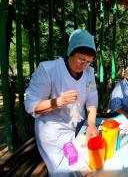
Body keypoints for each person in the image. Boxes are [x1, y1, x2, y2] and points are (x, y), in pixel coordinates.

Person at [24, 29, 100, 177]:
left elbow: (92, 97)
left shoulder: (89, 72)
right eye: (81, 59)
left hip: (78, 130)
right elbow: (31, 105)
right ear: (71, 51)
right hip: (55, 135)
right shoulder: (48, 69)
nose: (84, 65)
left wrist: (91, 124)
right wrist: (58, 102)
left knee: (80, 168)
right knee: (61, 172)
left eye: (89, 62)